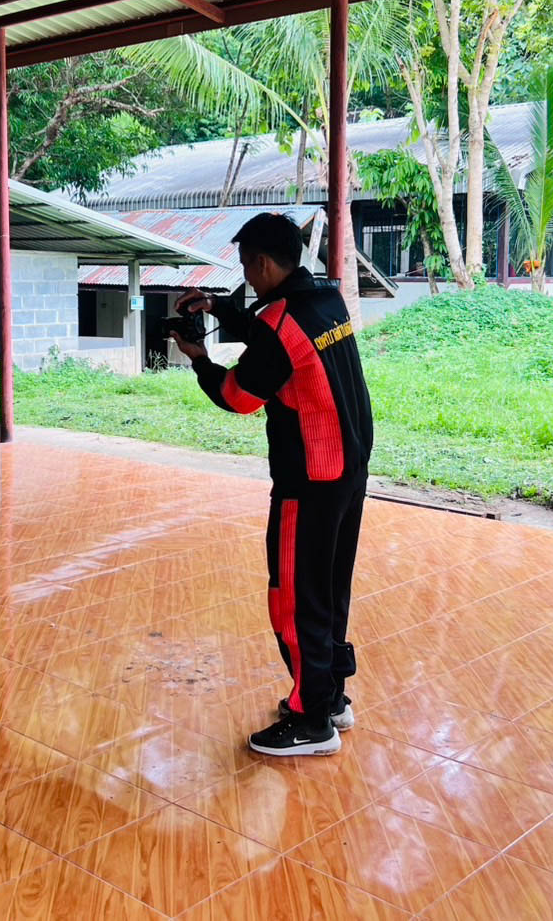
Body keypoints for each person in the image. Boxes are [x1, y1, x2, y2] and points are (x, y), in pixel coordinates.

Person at [172, 213, 373, 757]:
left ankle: (311, 722)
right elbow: (275, 335)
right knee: (329, 591)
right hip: (349, 470)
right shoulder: (326, 300)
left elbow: (239, 395)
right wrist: (219, 308)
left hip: (309, 478)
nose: (246, 277)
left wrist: (199, 360)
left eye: (246, 267)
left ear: (261, 263)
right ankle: (331, 697)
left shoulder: (281, 325)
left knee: (293, 597)